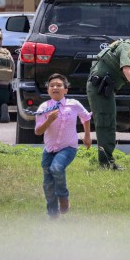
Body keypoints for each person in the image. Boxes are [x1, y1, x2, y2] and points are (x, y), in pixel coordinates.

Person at [86, 25, 130, 169]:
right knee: (106, 123)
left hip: (100, 87)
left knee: (106, 121)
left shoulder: (122, 43)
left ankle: (106, 160)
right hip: (100, 88)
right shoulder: (129, 49)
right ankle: (106, 162)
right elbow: (127, 68)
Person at [34, 73, 92, 218]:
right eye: (52, 85)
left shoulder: (74, 104)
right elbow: (38, 131)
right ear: (47, 90)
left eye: (59, 85)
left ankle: (63, 197)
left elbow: (85, 117)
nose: (55, 88)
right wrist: (49, 120)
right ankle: (52, 214)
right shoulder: (44, 107)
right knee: (47, 184)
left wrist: (87, 135)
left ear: (66, 90)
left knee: (57, 167)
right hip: (49, 149)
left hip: (68, 147)